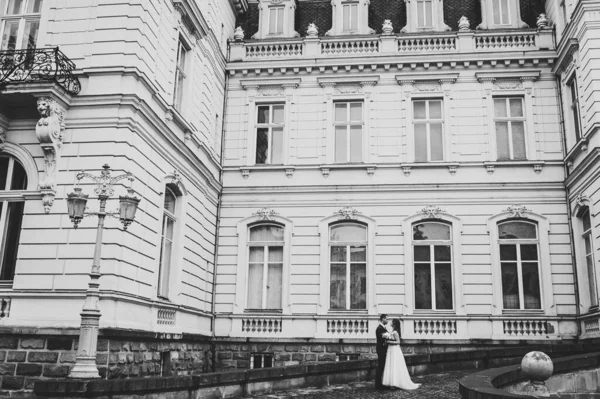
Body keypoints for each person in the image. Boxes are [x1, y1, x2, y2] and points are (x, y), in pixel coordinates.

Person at [382, 319, 420, 390]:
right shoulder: (393, 331)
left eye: (392, 322)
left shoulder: (395, 332)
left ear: (394, 324)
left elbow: (398, 342)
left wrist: (388, 341)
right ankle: (392, 382)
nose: (391, 322)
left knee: (395, 364)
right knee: (391, 364)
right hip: (391, 349)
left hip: (394, 350)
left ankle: (395, 382)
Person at [375, 314, 389, 390]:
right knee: (380, 366)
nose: (387, 320)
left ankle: (380, 383)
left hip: (383, 349)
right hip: (381, 349)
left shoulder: (383, 328)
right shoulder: (379, 328)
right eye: (387, 319)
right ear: (382, 319)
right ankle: (378, 384)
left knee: (382, 366)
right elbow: (381, 339)